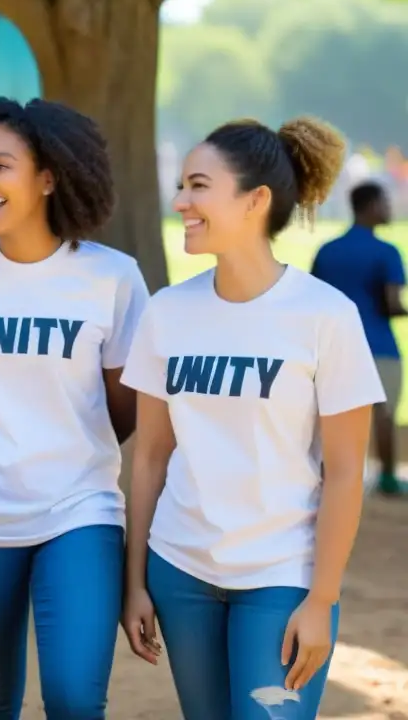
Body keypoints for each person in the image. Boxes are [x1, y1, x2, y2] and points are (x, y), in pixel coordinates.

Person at [122, 117, 382, 719]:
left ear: (255, 200)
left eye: (197, 186)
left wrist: (322, 599)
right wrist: (135, 581)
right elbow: (151, 458)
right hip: (180, 572)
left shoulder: (326, 316)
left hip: (281, 577)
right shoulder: (166, 313)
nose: (180, 200)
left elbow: (346, 471)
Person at [0, 97, 149, 719]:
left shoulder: (113, 277)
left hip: (80, 508)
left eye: (0, 166)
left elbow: (125, 408)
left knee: (73, 695)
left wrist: (67, 446)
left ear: (48, 176)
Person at [311, 180, 406, 495]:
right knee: (384, 412)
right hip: (378, 343)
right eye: (385, 202)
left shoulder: (327, 251)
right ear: (371, 206)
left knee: (329, 414)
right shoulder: (386, 253)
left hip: (332, 345)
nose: (389, 209)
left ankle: (327, 477)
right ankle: (388, 479)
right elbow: (392, 304)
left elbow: (314, 299)